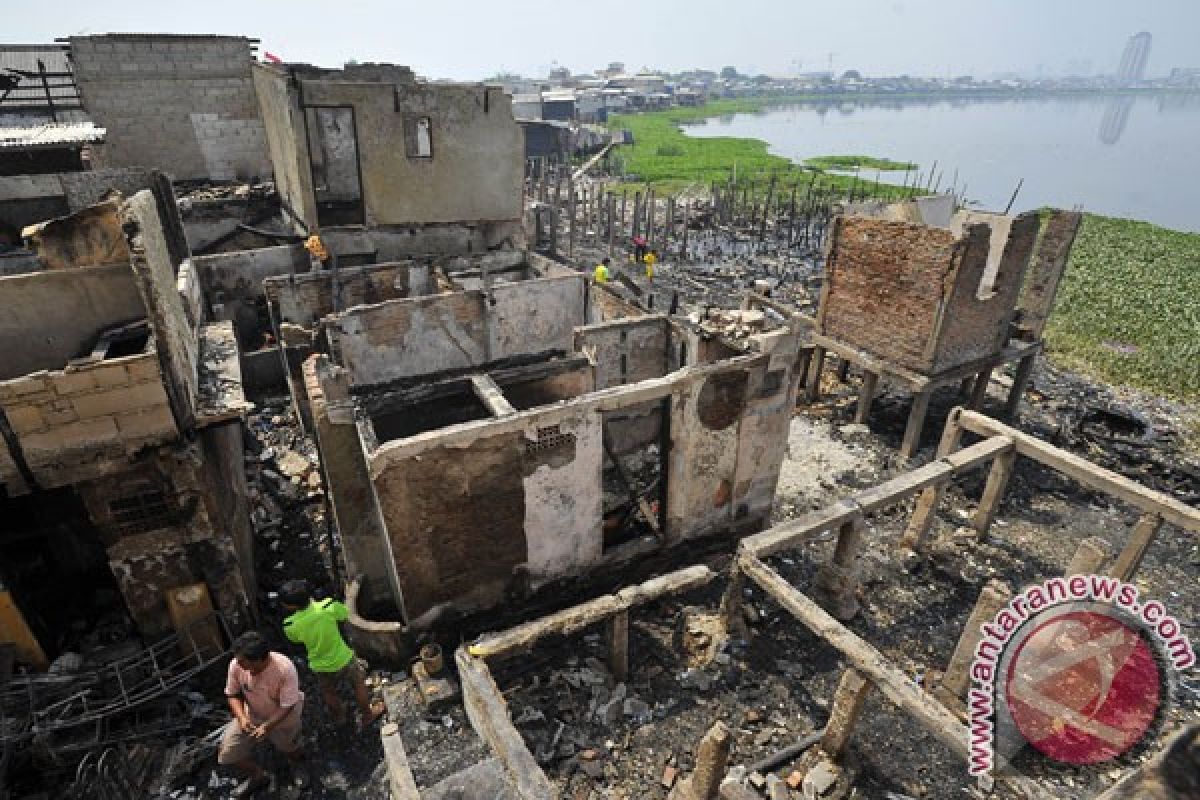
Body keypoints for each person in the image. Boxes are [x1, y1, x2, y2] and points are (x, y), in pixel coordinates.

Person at [280, 579, 385, 727]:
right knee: (358, 684)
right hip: (343, 658)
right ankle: (367, 715)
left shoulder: (290, 624)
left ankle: (340, 716)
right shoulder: (327, 606)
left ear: (291, 606)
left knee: (328, 691)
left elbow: (296, 640)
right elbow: (344, 614)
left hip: (320, 665)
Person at [218, 631, 307, 797]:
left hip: (284, 719)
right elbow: (232, 694)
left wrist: (268, 726)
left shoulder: (284, 669)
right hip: (251, 716)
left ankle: (297, 765)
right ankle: (259, 775)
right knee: (228, 754)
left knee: (290, 748)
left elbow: (287, 705)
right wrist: (242, 718)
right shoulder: (236, 665)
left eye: (243, 662)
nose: (239, 665)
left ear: (260, 659)